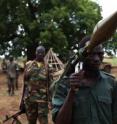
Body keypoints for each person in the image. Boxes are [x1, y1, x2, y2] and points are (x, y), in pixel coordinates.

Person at [52, 36, 117, 124]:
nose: (97, 59)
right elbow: (60, 122)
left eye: (100, 54)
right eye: (91, 54)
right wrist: (72, 92)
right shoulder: (64, 84)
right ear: (81, 56)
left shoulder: (111, 83)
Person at [20, 45, 51, 124]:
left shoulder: (48, 67)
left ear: (44, 54)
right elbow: (25, 84)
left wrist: (51, 100)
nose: (40, 54)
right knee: (31, 121)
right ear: (35, 53)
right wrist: (22, 101)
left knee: (44, 122)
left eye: (42, 53)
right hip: (30, 100)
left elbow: (50, 85)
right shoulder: (28, 65)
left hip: (42, 100)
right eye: (38, 52)